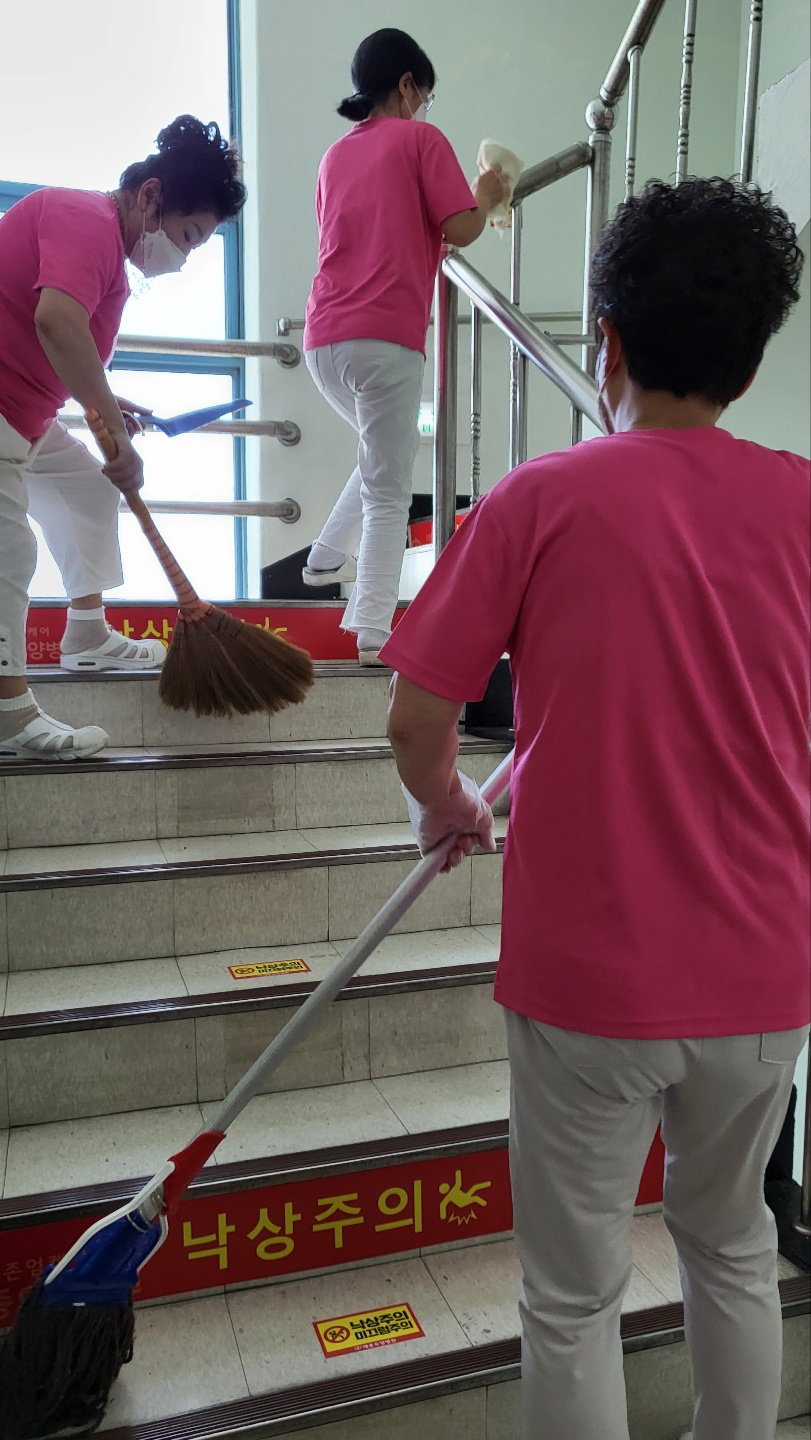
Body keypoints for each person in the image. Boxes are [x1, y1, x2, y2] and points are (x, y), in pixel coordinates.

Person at [382, 178, 810, 1440]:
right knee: (732, 1241)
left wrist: (446, 804)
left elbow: (415, 719)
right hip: (766, 971)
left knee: (572, 1294)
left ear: (606, 341)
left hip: (589, 981)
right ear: (749, 361)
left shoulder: (538, 499)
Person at [0, 115, 246, 759]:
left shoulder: (105, 243)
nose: (182, 258)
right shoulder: (85, 221)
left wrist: (111, 404)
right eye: (188, 237)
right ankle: (7, 713)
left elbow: (54, 340)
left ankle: (86, 635)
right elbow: (57, 321)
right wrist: (112, 426)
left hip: (22, 414)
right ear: (151, 197)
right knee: (9, 548)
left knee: (87, 489)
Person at [302, 27, 510, 665]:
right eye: (425, 95)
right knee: (390, 488)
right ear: (406, 84)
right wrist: (488, 194)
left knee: (379, 453)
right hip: (386, 337)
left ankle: (324, 557)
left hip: (323, 339)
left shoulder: (334, 156)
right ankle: (372, 630)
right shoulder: (422, 140)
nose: (424, 107)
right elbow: (461, 229)